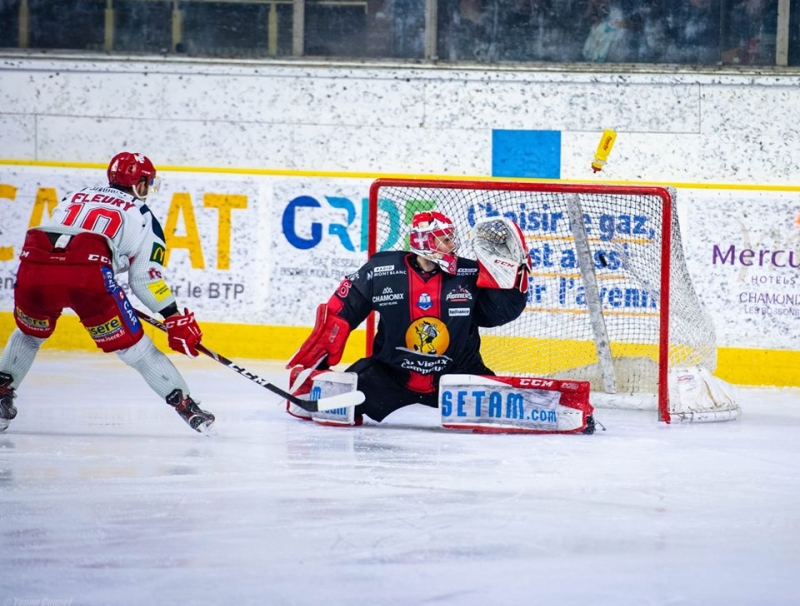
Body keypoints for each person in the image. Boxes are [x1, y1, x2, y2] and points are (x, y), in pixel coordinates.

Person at [286, 210, 595, 432]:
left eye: (451, 238)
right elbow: (340, 313)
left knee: (505, 409)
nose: (452, 245)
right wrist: (316, 365)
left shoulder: (468, 272)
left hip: (459, 375)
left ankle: (570, 410)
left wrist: (512, 282)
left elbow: (496, 315)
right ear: (424, 242)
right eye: (444, 239)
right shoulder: (381, 270)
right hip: (389, 374)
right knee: (327, 406)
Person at [0, 152, 214, 435]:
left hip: (34, 271)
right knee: (137, 350)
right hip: (88, 282)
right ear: (138, 183)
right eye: (147, 182)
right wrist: (172, 316)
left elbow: (60, 243)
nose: (148, 188)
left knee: (29, 334)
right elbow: (143, 279)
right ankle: (186, 406)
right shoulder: (143, 215)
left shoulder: (74, 197)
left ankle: (2, 390)